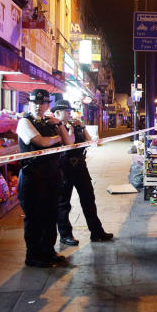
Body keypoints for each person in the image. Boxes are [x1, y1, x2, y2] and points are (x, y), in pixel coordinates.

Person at [16, 89, 73, 267]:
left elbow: (69, 142)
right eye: (35, 102)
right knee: (34, 218)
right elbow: (41, 142)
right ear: (29, 103)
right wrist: (57, 137)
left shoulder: (50, 122)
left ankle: (48, 251)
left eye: (42, 103)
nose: (38, 106)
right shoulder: (24, 122)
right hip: (32, 176)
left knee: (50, 215)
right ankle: (33, 255)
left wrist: (59, 124)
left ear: (48, 105)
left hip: (51, 175)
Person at [52, 99, 114, 245]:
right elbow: (67, 144)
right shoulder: (54, 127)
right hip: (63, 168)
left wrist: (82, 127)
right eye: (66, 111)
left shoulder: (74, 125)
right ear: (57, 113)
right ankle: (65, 234)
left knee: (88, 199)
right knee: (63, 203)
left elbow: (90, 141)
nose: (69, 113)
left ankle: (96, 232)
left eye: (69, 111)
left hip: (80, 166)